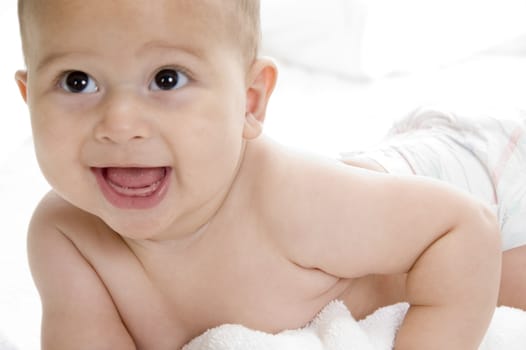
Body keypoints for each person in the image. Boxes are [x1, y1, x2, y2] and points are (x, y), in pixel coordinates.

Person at [14, 0, 503, 349]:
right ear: (30, 97)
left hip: (483, 179)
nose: (120, 124)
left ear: (250, 101)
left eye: (167, 79)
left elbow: (463, 228)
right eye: (77, 82)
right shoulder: (66, 237)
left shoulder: (289, 199)